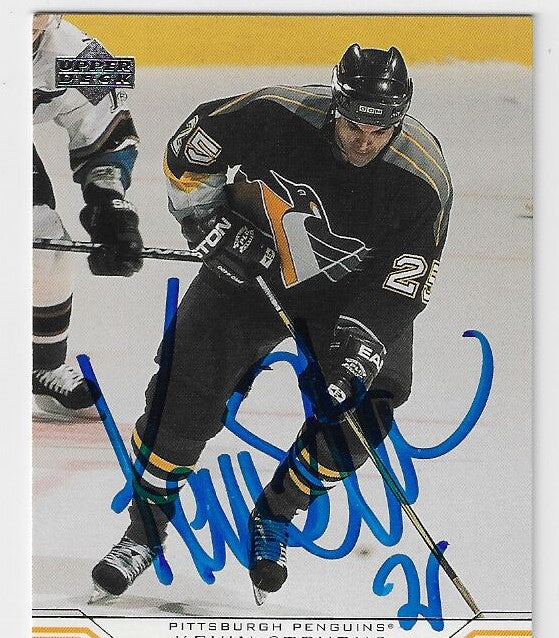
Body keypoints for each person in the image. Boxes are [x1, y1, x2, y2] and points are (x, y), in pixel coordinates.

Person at [91, 44, 452, 602]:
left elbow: (403, 282)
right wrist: (208, 224)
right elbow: (190, 150)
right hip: (250, 268)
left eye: (379, 131)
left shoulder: (421, 180)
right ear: (336, 106)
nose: (364, 141)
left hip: (350, 296)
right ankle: (143, 532)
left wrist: (358, 353)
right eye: (354, 125)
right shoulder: (276, 114)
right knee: (180, 396)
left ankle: (276, 513)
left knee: (368, 405)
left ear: (398, 121)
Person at [33, 14, 143, 419]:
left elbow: (107, 135)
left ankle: (42, 364)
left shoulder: (78, 55)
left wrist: (109, 206)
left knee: (47, 248)